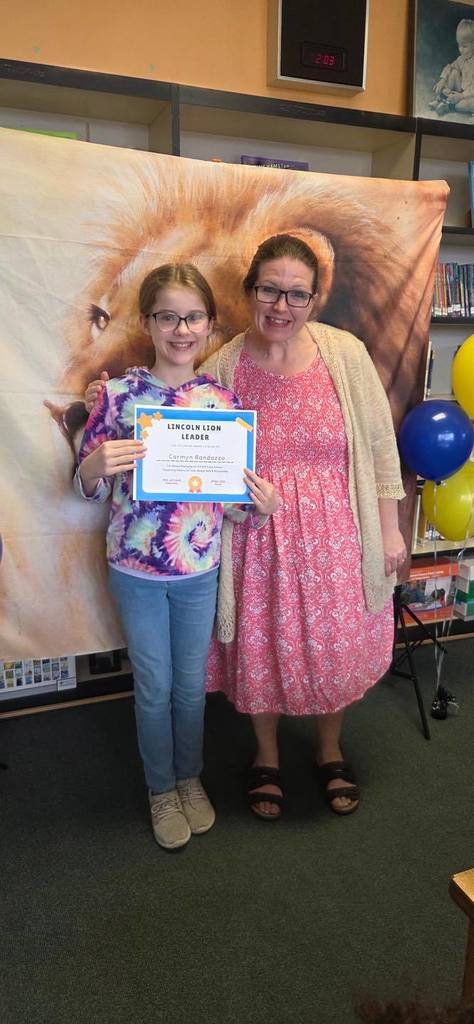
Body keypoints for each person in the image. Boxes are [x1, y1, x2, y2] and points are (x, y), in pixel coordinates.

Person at [85, 234, 406, 823]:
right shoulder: (223, 367)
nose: (282, 305)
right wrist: (100, 405)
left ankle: (330, 750)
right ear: (249, 291)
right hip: (253, 542)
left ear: (314, 299)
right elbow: (177, 427)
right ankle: (266, 756)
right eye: (269, 290)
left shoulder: (345, 354)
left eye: (297, 294)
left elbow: (381, 449)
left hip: (336, 535)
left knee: (332, 647)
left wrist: (389, 530)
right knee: (262, 647)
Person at [76, 262, 279, 850]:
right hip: (135, 570)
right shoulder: (119, 397)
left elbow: (230, 506)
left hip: (198, 570)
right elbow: (91, 489)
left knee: (191, 685)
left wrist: (258, 505)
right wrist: (91, 467)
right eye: (168, 317)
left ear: (210, 325)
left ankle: (190, 778)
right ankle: (161, 788)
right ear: (147, 322)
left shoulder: (223, 403)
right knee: (154, 684)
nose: (181, 330)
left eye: (193, 318)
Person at [429, 19, 474, 117]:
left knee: (471, 104)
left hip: (470, 95)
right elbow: (450, 67)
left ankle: (450, 106)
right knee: (453, 72)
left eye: (464, 46)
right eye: (459, 45)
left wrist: (461, 96)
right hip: (460, 90)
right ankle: (440, 99)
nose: (460, 50)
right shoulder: (462, 59)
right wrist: (443, 79)